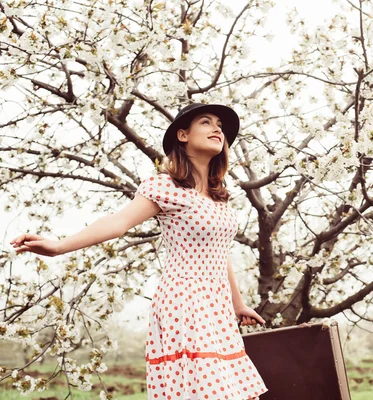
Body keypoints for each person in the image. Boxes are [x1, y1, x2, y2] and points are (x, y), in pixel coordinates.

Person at [10, 103, 269, 400]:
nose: (217, 130)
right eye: (206, 123)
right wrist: (59, 246)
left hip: (217, 308)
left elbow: (220, 254)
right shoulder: (166, 186)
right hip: (185, 303)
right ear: (182, 135)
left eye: (220, 126)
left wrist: (237, 304)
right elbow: (119, 222)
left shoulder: (218, 195)